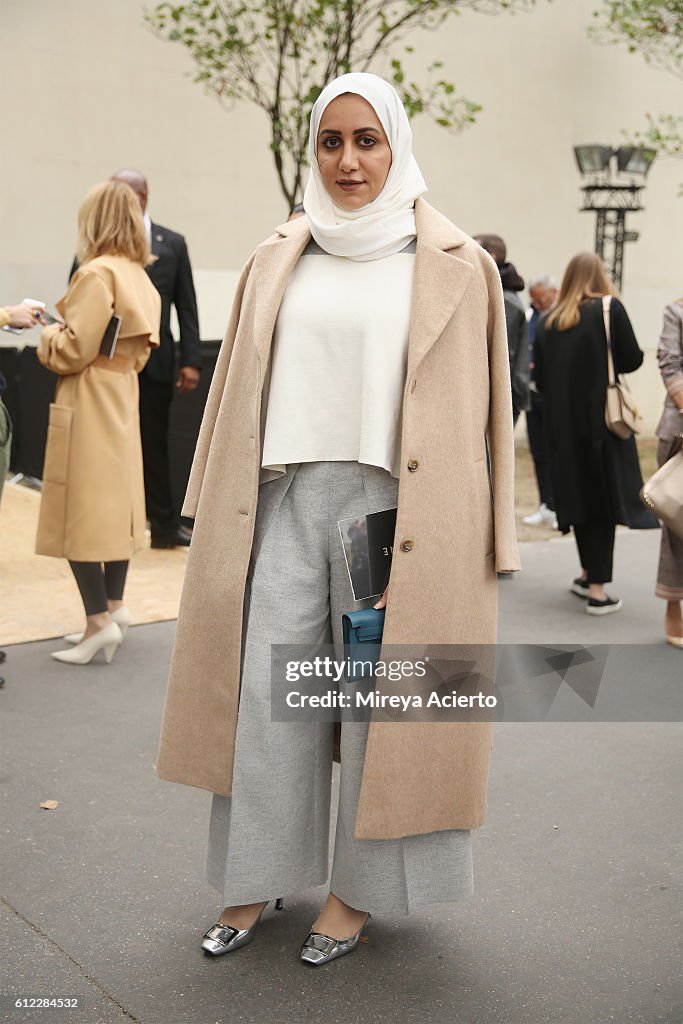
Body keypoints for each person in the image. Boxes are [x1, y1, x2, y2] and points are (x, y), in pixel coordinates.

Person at [155, 72, 519, 966]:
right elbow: (236, 396)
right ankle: (254, 877)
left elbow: (485, 418)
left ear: (396, 147)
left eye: (366, 141)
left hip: (398, 514)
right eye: (331, 141)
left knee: (380, 711)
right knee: (264, 703)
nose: (347, 160)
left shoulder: (456, 266)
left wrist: (488, 541)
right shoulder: (277, 254)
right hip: (277, 500)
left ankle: (358, 894)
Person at [36, 180, 161, 664]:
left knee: (81, 509)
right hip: (122, 391)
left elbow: (72, 349)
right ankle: (114, 604)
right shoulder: (139, 276)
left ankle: (97, 622)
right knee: (116, 504)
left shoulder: (96, 273)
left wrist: (49, 334)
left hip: (89, 394)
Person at [72, 170, 202, 548]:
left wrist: (190, 360)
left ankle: (162, 525)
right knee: (105, 445)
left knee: (154, 445)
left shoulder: (171, 242)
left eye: (124, 192)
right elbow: (76, 294)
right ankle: (111, 526)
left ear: (143, 196)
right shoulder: (98, 247)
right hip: (103, 365)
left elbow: (186, 305)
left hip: (154, 363)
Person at [535, 252, 655, 616]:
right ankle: (599, 593)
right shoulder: (608, 309)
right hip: (602, 425)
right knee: (602, 503)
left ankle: (588, 574)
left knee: (578, 499)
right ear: (599, 275)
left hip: (561, 429)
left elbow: (541, 376)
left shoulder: (548, 320)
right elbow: (632, 358)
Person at [474, 233, 530, 423]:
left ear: (491, 257)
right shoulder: (494, 292)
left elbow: (503, 356)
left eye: (474, 250)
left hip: (500, 400)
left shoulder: (505, 301)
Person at [654, 299, 683, 647]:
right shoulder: (677, 311)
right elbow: (670, 365)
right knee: (678, 524)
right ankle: (673, 603)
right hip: (680, 431)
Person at [522, 274, 558, 527]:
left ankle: (559, 504)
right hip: (533, 393)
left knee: (556, 451)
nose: (536, 303)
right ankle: (546, 503)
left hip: (554, 395)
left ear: (553, 293)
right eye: (533, 299)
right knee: (539, 452)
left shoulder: (562, 317)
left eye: (540, 298)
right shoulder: (530, 316)